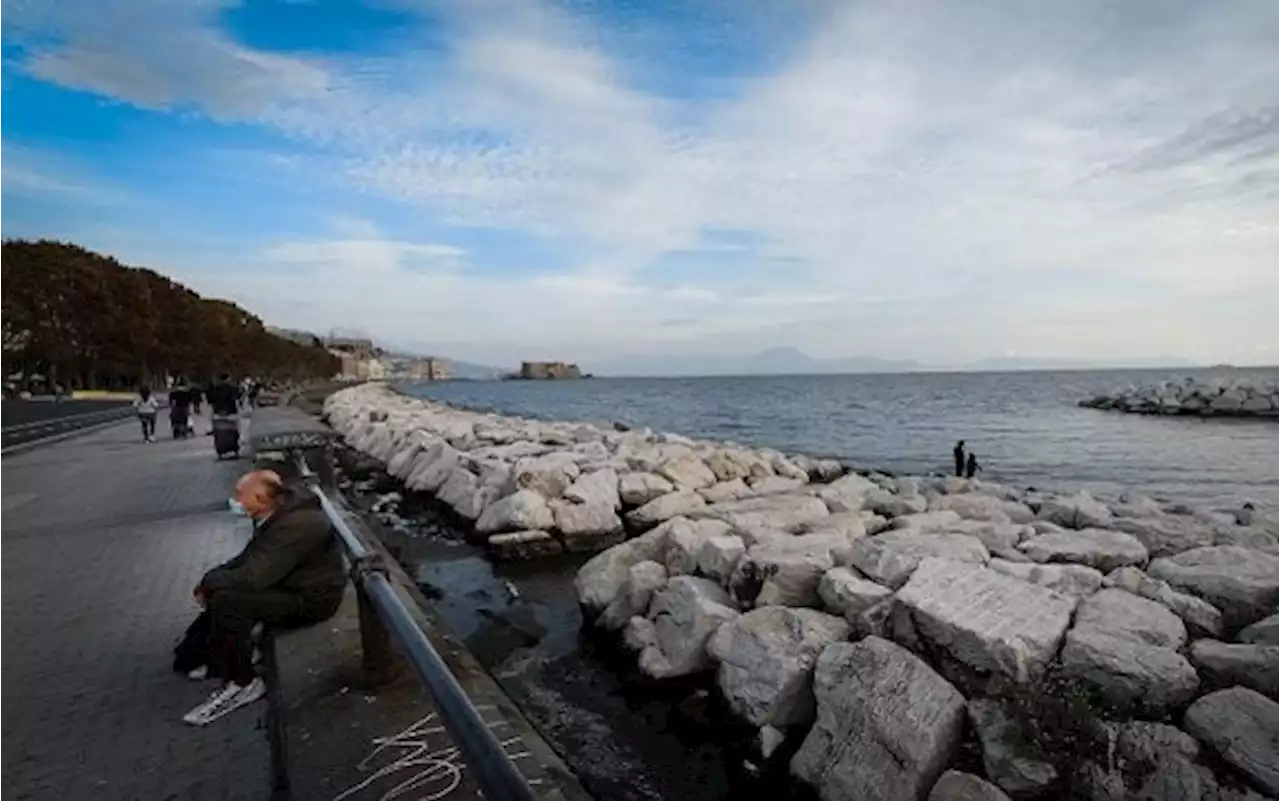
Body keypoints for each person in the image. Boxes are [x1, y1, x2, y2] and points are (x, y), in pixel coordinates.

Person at [183, 470, 346, 726]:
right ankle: (227, 658)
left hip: (312, 601)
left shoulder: (298, 525)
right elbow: (248, 559)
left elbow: (256, 576)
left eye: (240, 495)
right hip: (291, 588)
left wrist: (211, 583)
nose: (235, 499)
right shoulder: (278, 515)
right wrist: (212, 577)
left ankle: (243, 682)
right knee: (225, 593)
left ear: (260, 498)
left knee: (228, 601)